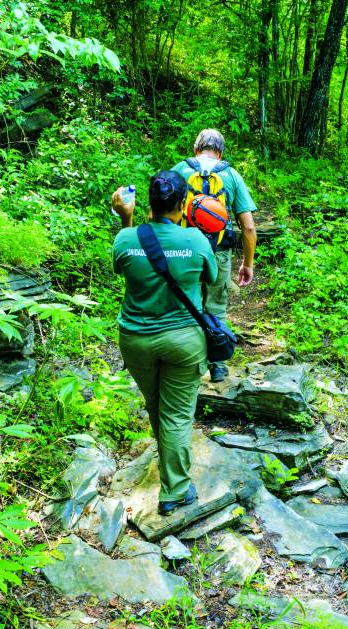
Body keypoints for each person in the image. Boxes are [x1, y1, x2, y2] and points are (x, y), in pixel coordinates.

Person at [111, 171, 218, 515]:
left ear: (149, 203)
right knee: (175, 414)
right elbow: (211, 278)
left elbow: (121, 264)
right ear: (184, 203)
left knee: (158, 406)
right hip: (183, 341)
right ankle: (175, 489)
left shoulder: (127, 239)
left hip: (136, 340)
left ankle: (170, 465)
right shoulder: (197, 240)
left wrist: (126, 217)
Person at [171, 129, 257, 382]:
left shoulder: (179, 170)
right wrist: (247, 264)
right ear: (220, 153)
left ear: (196, 150)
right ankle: (217, 365)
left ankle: (186, 363)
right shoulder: (231, 174)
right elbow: (249, 227)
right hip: (218, 252)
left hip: (183, 251)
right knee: (216, 307)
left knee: (185, 304)